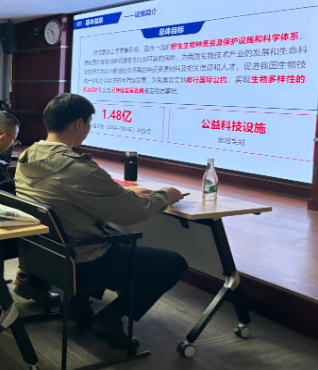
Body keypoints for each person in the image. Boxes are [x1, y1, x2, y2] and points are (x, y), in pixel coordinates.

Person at [14, 93, 188, 348]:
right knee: (174, 263)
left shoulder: (27, 156)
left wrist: (122, 195)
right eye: (89, 122)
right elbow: (131, 213)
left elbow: (69, 198)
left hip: (45, 255)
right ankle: (110, 319)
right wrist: (165, 196)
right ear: (79, 123)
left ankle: (78, 305)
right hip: (81, 261)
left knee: (110, 238)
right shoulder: (75, 168)